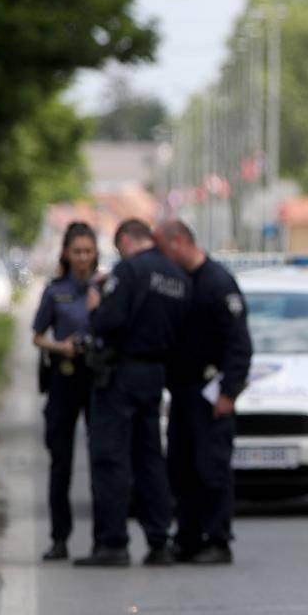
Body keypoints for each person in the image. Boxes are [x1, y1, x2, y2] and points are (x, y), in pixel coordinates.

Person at [73, 219, 190, 568]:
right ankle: (159, 541)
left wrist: (95, 306)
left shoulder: (129, 270)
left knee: (111, 458)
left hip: (120, 373)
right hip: (155, 374)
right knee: (150, 459)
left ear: (124, 240)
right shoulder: (176, 276)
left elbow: (108, 321)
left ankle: (112, 543)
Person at [157, 219, 253, 564]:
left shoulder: (217, 283)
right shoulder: (180, 283)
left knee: (210, 468)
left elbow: (239, 346)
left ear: (179, 241)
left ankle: (217, 539)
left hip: (212, 394)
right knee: (181, 468)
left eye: (162, 247)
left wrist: (229, 392)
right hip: (184, 393)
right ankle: (188, 537)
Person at [31, 221, 100, 561]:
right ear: (66, 254)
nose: (83, 258)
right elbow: (37, 335)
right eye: (77, 251)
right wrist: (60, 347)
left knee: (102, 458)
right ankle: (60, 537)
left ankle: (105, 538)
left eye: (88, 251)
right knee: (61, 461)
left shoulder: (105, 287)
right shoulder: (56, 290)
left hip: (98, 378)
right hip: (64, 376)